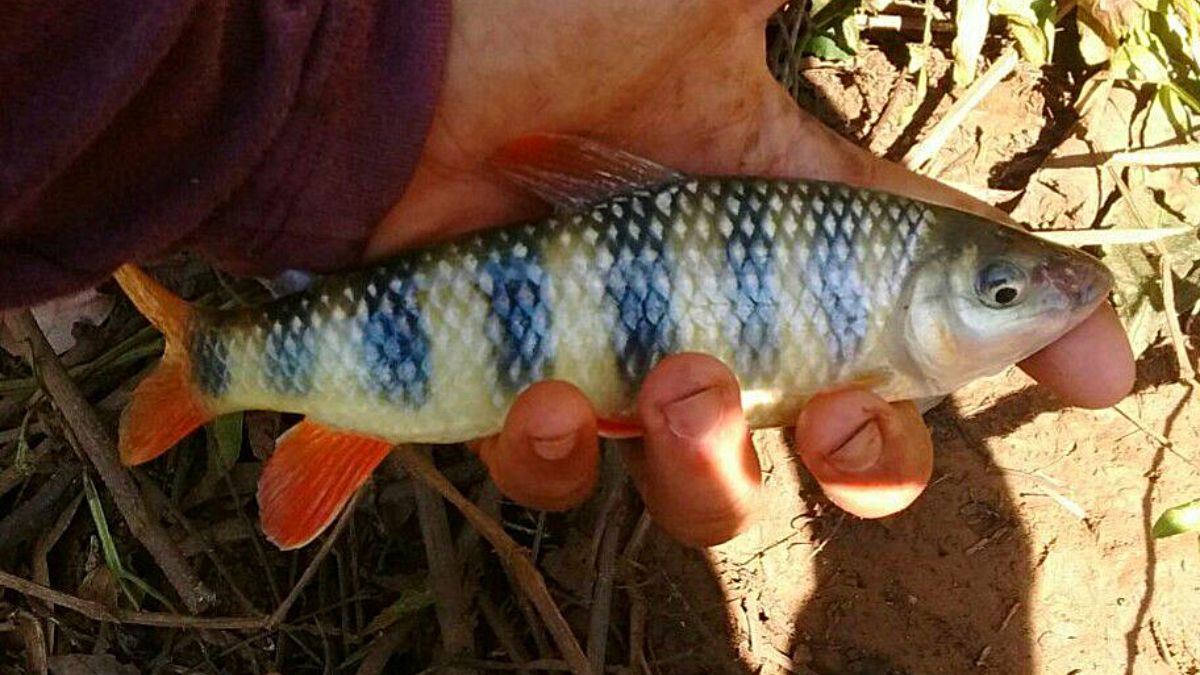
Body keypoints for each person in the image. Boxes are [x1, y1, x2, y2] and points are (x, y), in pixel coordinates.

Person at [0, 0, 1134, 547]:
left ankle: (230, 364)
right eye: (1001, 292)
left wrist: (352, 81)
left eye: (1006, 295)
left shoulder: (881, 281)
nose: (1039, 304)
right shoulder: (877, 317)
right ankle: (222, 365)